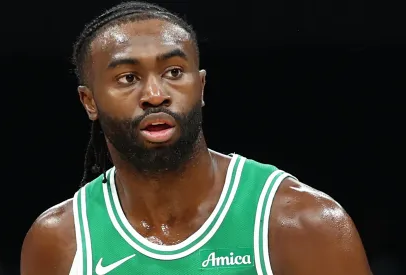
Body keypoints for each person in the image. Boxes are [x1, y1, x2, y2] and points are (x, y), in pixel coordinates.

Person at [20, 2, 372, 275]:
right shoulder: (60, 240)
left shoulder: (302, 221)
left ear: (200, 86)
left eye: (174, 72)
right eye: (128, 78)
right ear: (89, 101)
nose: (155, 94)